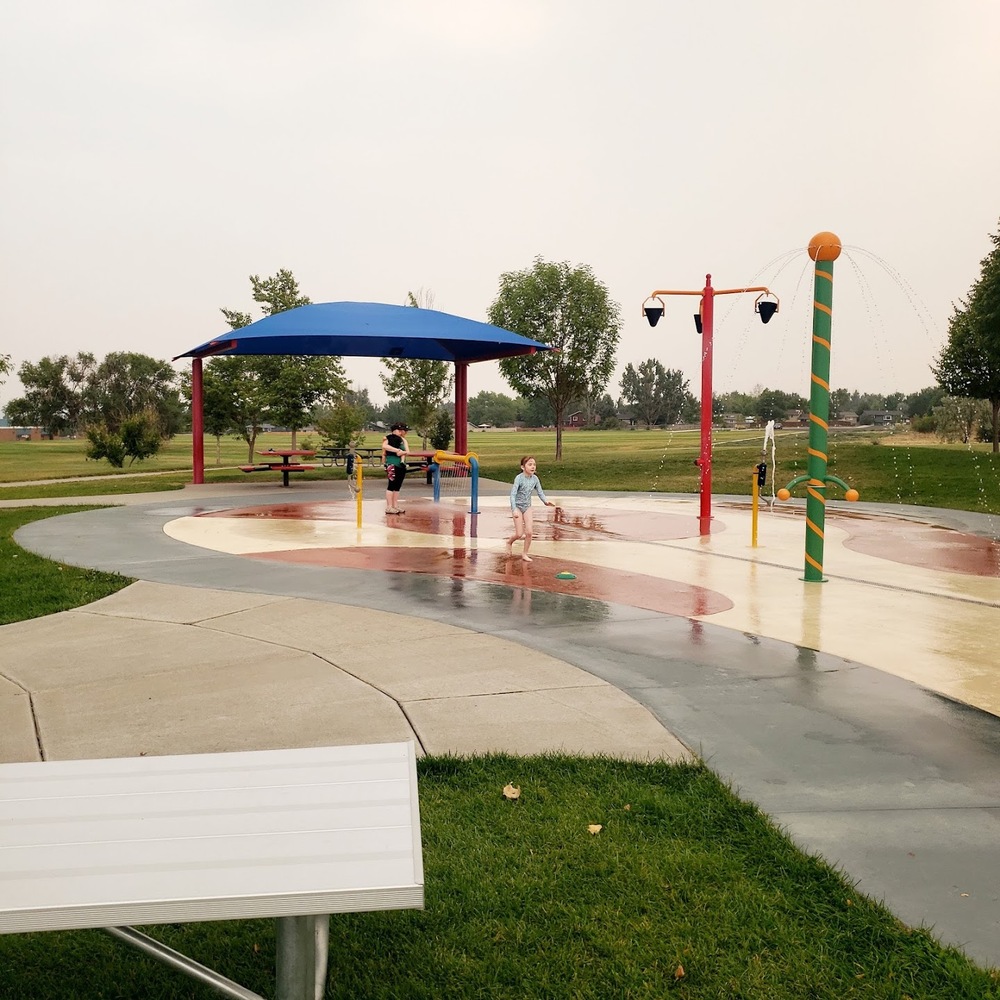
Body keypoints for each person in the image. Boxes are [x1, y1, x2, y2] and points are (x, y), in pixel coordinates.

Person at [506, 455, 554, 562]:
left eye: (534, 464)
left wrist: (545, 501)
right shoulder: (519, 478)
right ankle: (509, 542)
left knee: (529, 532)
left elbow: (540, 492)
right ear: (523, 467)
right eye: (530, 464)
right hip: (517, 507)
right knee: (519, 534)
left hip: (527, 507)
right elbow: (512, 495)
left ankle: (525, 553)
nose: (533, 467)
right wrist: (514, 509)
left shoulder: (535, 479)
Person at [382, 422, 410, 514]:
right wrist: (397, 450)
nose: (403, 432)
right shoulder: (388, 438)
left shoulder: (403, 440)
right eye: (401, 430)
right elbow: (385, 446)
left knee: (397, 486)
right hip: (392, 463)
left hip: (401, 464)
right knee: (391, 485)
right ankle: (389, 507)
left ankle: (395, 505)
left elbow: (407, 451)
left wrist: (402, 452)